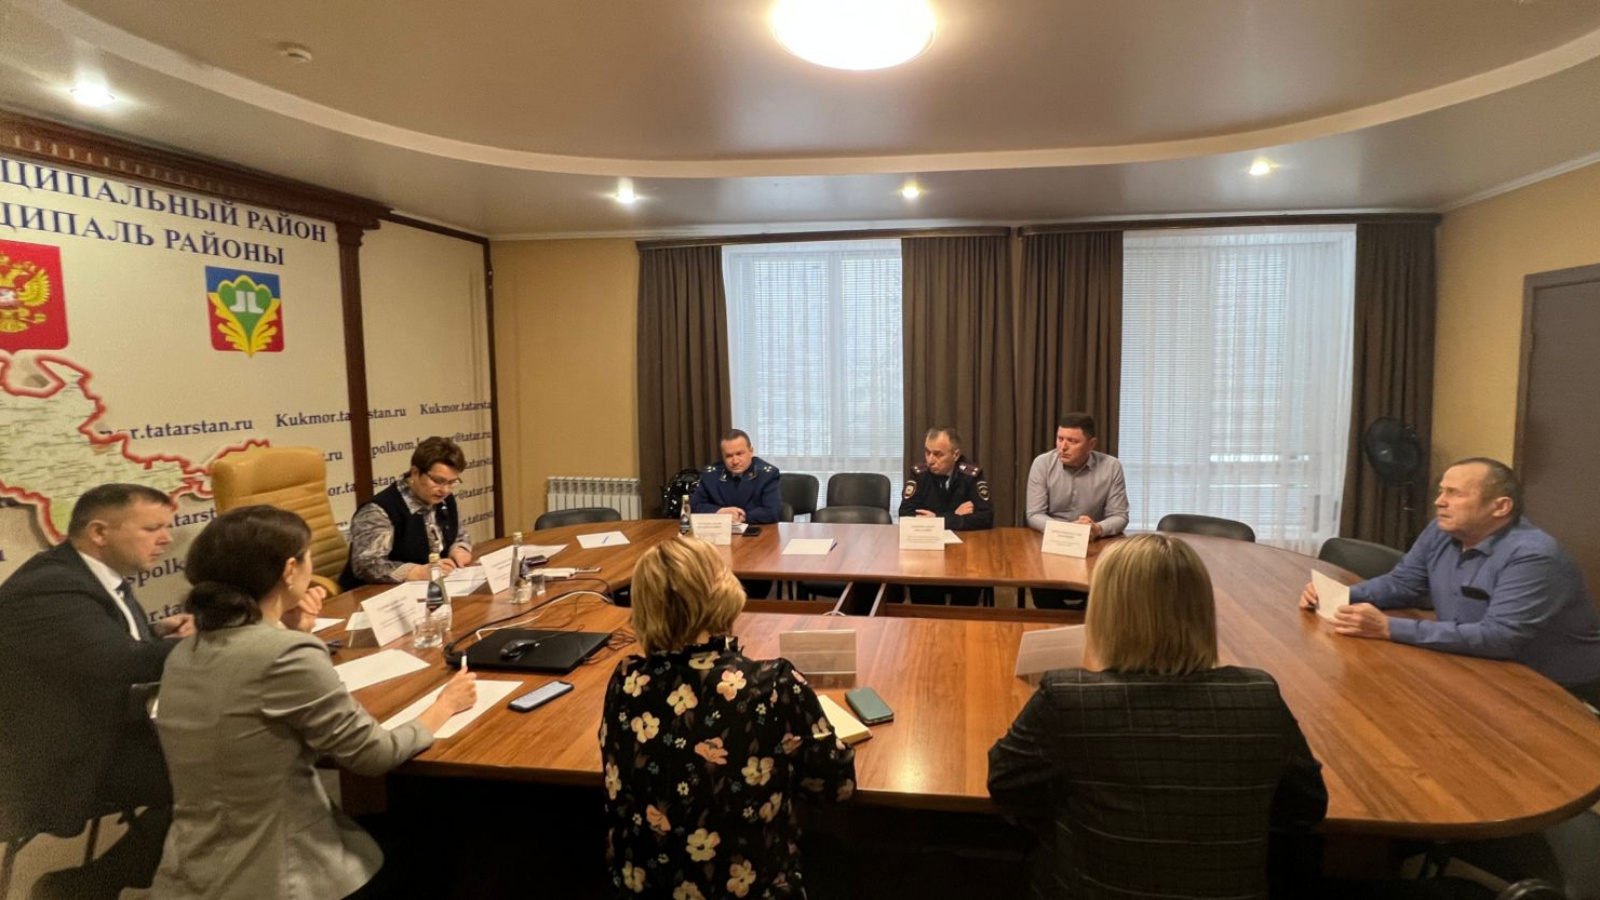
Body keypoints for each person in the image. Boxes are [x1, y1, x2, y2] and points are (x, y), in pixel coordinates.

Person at [152, 505, 476, 900]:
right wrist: (445, 705)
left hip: (194, 868)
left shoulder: (185, 652)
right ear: (290, 570)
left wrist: (289, 630)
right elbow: (373, 755)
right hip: (281, 873)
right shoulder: (285, 653)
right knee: (448, 833)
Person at [989, 533, 1328, 900]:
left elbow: (1006, 785)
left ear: (1105, 611)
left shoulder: (1071, 698)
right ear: (1202, 610)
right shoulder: (1258, 697)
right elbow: (1306, 808)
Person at [600, 536, 855, 899]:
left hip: (644, 886)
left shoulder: (626, 680)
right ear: (723, 593)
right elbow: (836, 786)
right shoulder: (772, 683)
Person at [0, 485, 192, 899]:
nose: (166, 539)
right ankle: (88, 885)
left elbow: (98, 650)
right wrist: (218, 642)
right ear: (100, 532)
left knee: (219, 759)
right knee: (215, 773)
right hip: (57, 759)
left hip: (102, 729)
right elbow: (120, 663)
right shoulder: (51, 587)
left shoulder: (86, 574)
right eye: (152, 528)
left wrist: (156, 632)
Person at [1301, 458, 1600, 706]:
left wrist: (1388, 627)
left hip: (1556, 690)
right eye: (1441, 491)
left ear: (1500, 507)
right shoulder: (1440, 531)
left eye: (1454, 494)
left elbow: (1499, 637)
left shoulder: (1533, 556)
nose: (1439, 502)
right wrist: (1342, 596)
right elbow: (1404, 583)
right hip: (1478, 668)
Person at [1024, 412, 1130, 609]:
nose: (1063, 447)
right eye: (1060, 439)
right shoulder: (1042, 463)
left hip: (1093, 544)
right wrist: (1067, 530)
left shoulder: (1111, 467)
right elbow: (1034, 514)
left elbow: (1120, 516)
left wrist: (1097, 528)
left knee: (1105, 594)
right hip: (1052, 541)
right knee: (1044, 593)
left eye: (1072, 441)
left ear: (1091, 444)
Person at [341, 436, 474, 589]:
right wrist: (415, 572)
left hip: (430, 588)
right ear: (415, 473)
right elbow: (367, 565)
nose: (445, 490)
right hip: (375, 593)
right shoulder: (379, 511)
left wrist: (459, 549)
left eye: (452, 482)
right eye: (438, 481)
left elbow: (459, 535)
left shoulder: (444, 500)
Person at [900, 426, 993, 604]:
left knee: (967, 595)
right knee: (922, 594)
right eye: (927, 452)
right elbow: (905, 514)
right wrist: (954, 515)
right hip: (927, 554)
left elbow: (986, 517)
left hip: (964, 554)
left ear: (955, 455)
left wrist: (937, 519)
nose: (930, 460)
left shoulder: (971, 475)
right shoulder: (919, 474)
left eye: (938, 454)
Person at [689, 428, 782, 526]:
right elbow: (693, 506)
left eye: (739, 454)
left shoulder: (767, 475)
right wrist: (719, 512)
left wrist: (741, 516)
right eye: (729, 456)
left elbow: (772, 512)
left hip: (755, 530)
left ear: (751, 451)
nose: (735, 461)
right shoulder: (711, 475)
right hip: (720, 530)